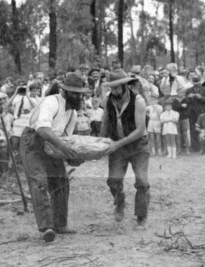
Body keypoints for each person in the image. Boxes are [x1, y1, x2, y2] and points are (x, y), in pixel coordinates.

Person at [19, 72, 88, 243]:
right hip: (33, 142)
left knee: (61, 181)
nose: (79, 97)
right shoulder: (51, 101)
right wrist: (63, 147)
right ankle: (46, 227)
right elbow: (42, 129)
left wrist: (74, 156)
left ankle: (60, 223)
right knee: (39, 181)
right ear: (65, 91)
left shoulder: (72, 113)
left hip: (54, 143)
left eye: (81, 94)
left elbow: (66, 139)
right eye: (75, 93)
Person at [99, 69, 150, 230]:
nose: (113, 91)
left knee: (141, 180)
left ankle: (141, 216)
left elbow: (140, 130)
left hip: (138, 146)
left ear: (124, 85)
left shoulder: (139, 100)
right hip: (117, 146)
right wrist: (99, 143)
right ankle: (119, 203)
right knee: (113, 180)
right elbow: (106, 123)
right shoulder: (108, 100)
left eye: (116, 88)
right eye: (111, 88)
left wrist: (117, 144)